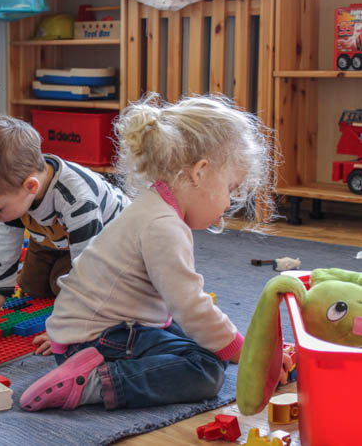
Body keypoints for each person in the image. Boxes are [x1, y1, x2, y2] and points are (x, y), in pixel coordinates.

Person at [19, 93, 293, 412]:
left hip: (101, 331)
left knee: (207, 345)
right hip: (93, 341)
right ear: (200, 172)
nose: (229, 203)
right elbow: (189, 306)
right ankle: (94, 382)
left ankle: (92, 370)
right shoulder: (163, 225)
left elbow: (187, 313)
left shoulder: (155, 207)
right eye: (230, 188)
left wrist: (237, 346)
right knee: (206, 370)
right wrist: (247, 354)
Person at [0, 115, 130, 354]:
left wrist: (68, 326)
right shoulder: (15, 194)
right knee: (32, 287)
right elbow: (5, 245)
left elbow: (89, 266)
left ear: (31, 187)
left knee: (63, 287)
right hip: (53, 238)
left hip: (107, 245)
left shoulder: (76, 199)